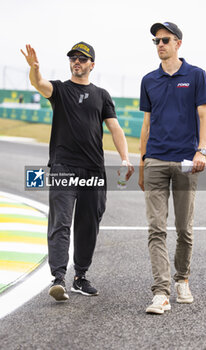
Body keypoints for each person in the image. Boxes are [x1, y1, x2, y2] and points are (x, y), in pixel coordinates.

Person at [21, 42, 134, 302]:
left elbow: (115, 129)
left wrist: (126, 158)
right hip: (63, 166)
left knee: (88, 224)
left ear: (92, 64)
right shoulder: (60, 90)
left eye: (82, 59)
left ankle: (80, 276)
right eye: (73, 58)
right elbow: (40, 84)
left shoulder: (102, 95)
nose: (77, 62)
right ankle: (58, 277)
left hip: (93, 168)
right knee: (60, 221)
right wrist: (34, 70)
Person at [139, 22, 206, 314]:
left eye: (165, 39)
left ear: (178, 43)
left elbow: (204, 116)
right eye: (156, 40)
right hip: (155, 159)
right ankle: (161, 292)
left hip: (186, 162)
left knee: (184, 229)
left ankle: (182, 278)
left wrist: (202, 151)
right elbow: (146, 125)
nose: (159, 44)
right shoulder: (148, 79)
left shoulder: (196, 75)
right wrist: (142, 163)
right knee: (156, 229)